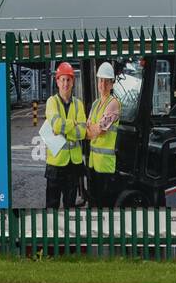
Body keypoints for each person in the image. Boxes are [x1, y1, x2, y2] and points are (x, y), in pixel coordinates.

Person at [43, 62, 86, 209]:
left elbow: (82, 132)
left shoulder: (78, 104)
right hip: (55, 164)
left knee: (70, 206)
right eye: (62, 79)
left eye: (68, 80)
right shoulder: (51, 102)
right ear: (57, 81)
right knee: (51, 206)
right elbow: (56, 125)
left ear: (73, 82)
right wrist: (73, 123)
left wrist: (65, 127)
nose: (65, 83)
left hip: (73, 165)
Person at [86, 62, 122, 207]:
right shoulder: (95, 104)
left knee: (104, 205)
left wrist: (93, 129)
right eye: (101, 80)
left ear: (112, 84)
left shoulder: (113, 103)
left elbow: (99, 130)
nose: (103, 84)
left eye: (107, 81)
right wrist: (92, 130)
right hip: (94, 163)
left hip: (106, 166)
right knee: (94, 203)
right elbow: (87, 132)